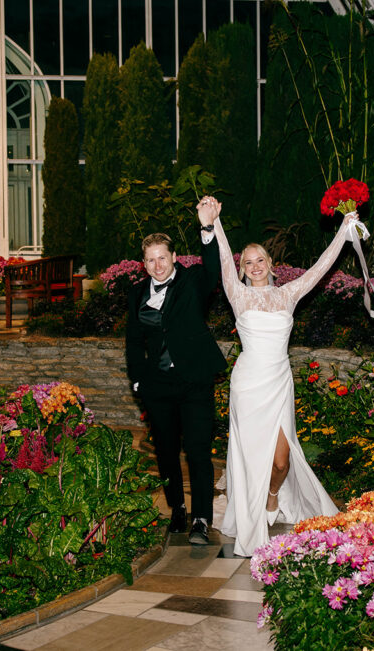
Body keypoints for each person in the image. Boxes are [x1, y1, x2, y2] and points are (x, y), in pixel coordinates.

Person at [206, 196, 355, 557]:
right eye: (248, 262)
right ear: (243, 269)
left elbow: (321, 267)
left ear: (271, 264)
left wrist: (344, 231)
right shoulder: (237, 294)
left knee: (280, 461)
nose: (254, 266)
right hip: (247, 385)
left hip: (278, 382)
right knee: (250, 455)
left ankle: (272, 495)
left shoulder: (287, 294)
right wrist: (214, 223)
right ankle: (251, 515)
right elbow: (224, 258)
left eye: (260, 260)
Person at [125, 202, 227, 545]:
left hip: (194, 380)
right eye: (151, 260)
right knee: (166, 452)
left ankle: (201, 518)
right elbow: (133, 341)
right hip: (157, 385)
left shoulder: (193, 282)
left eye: (163, 258)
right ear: (144, 263)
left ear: (173, 257)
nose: (157, 265)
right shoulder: (137, 293)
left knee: (197, 450)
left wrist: (207, 228)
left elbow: (213, 269)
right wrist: (139, 380)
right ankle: (177, 509)